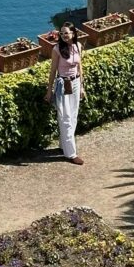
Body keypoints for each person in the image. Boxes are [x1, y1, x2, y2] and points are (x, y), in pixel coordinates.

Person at [45, 21, 86, 165]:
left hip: (75, 83)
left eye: (66, 33)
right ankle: (71, 153)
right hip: (63, 85)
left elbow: (80, 68)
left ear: (73, 33)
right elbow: (53, 71)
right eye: (61, 33)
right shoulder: (57, 49)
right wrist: (49, 90)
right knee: (66, 118)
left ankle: (64, 145)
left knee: (73, 117)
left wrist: (81, 87)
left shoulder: (78, 46)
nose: (64, 36)